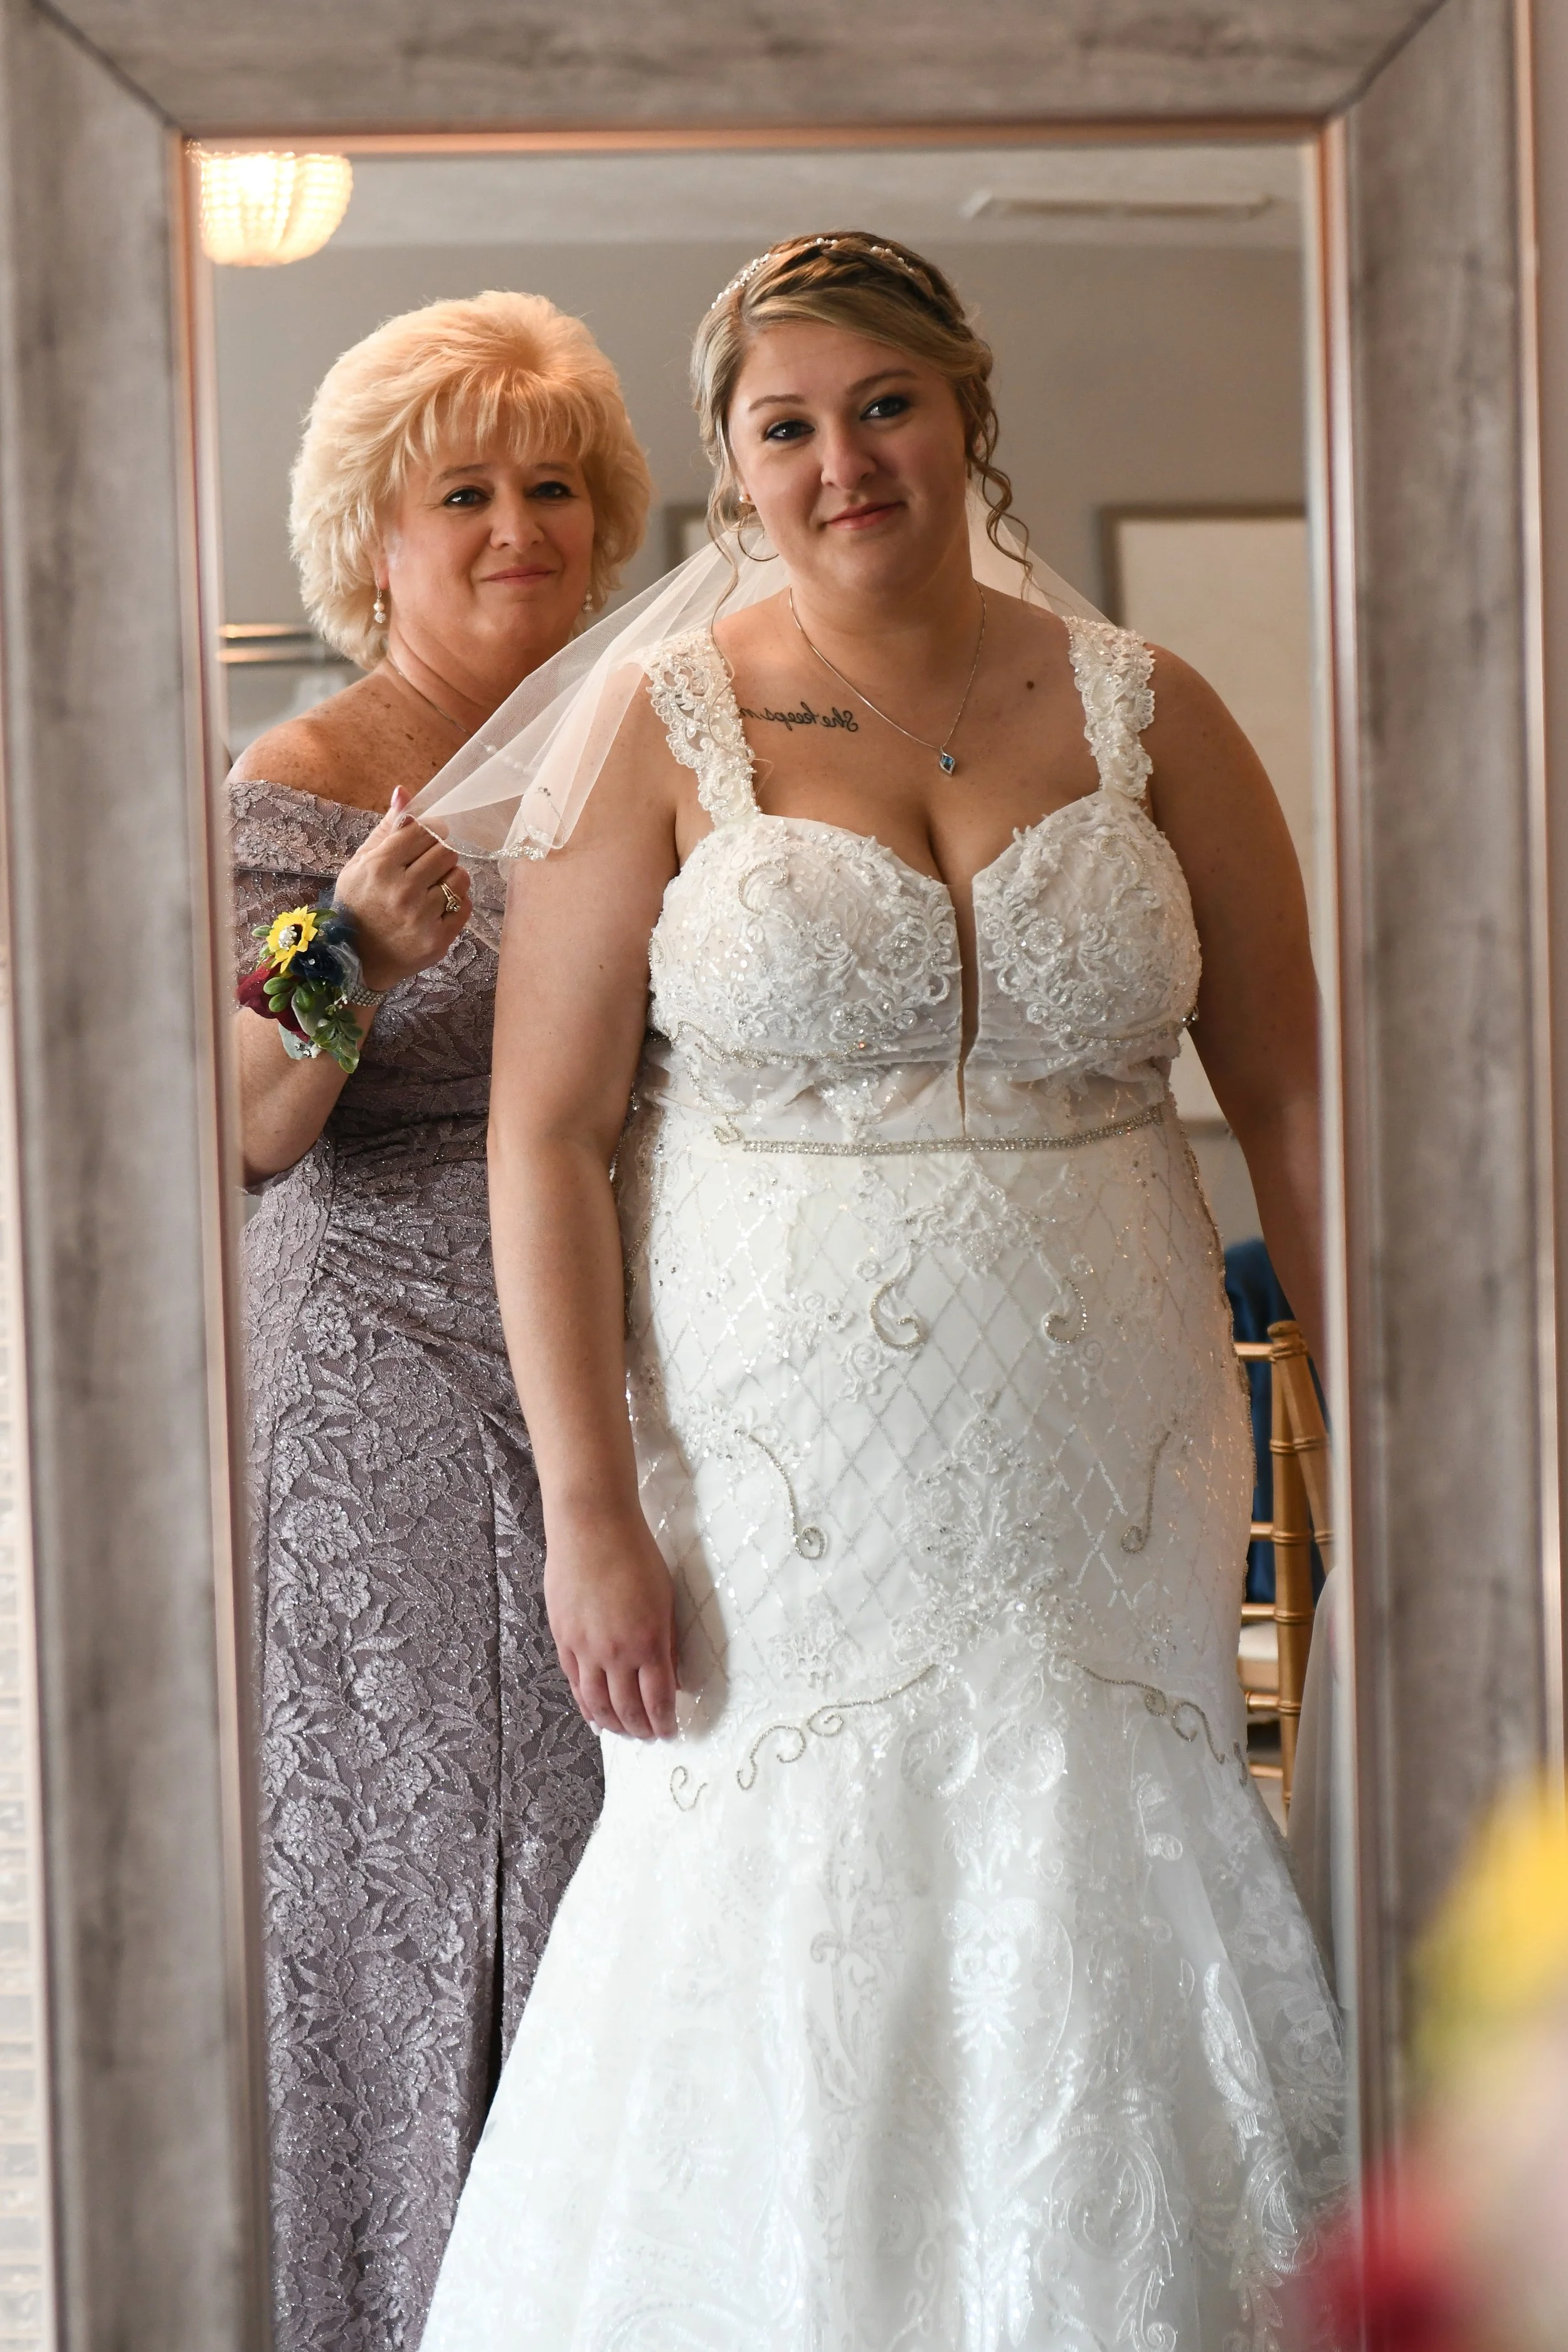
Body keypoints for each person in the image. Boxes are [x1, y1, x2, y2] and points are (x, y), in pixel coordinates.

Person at [416, 233, 1345, 2349]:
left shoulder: (1149, 711)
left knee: (1104, 1848)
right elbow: (541, 1137)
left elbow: (1299, 1107)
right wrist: (591, 1507)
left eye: (884, 406)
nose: (843, 458)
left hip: (1108, 1422)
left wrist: (1390, 1418)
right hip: (772, 1449)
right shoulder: (656, 731)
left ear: (964, 409)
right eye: (786, 425)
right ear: (736, 469)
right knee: (776, 1881)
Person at [230, 289, 650, 2352]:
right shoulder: (301, 774)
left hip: (612, 1354)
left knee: (618, 1848)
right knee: (432, 1872)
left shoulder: (642, 738)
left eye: (553, 484)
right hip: (376, 1374)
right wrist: (352, 951)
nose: (516, 527)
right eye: (461, 490)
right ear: (371, 546)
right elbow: (242, 1125)